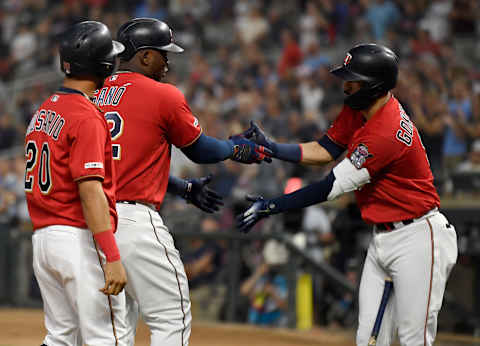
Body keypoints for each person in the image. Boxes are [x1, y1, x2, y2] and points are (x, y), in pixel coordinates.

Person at [237, 43, 458, 346]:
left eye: (353, 80)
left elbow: (328, 187)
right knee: (366, 339)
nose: (346, 85)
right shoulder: (363, 108)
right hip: (383, 237)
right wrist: (273, 148)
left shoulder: (385, 132)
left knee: (413, 340)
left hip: (419, 238)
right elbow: (325, 149)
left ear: (374, 85)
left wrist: (273, 205)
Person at [93, 18, 272, 346]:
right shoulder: (162, 94)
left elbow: (111, 163)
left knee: (112, 329)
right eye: (163, 53)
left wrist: (178, 186)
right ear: (145, 56)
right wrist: (235, 147)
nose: (168, 61)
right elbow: (200, 149)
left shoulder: (95, 93)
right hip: (133, 222)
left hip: (92, 224)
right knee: (171, 316)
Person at [24, 21, 128, 345]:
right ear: (103, 64)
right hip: (78, 239)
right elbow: (90, 191)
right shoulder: (85, 116)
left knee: (59, 338)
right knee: (106, 338)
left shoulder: (43, 111)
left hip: (44, 240)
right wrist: (112, 256)